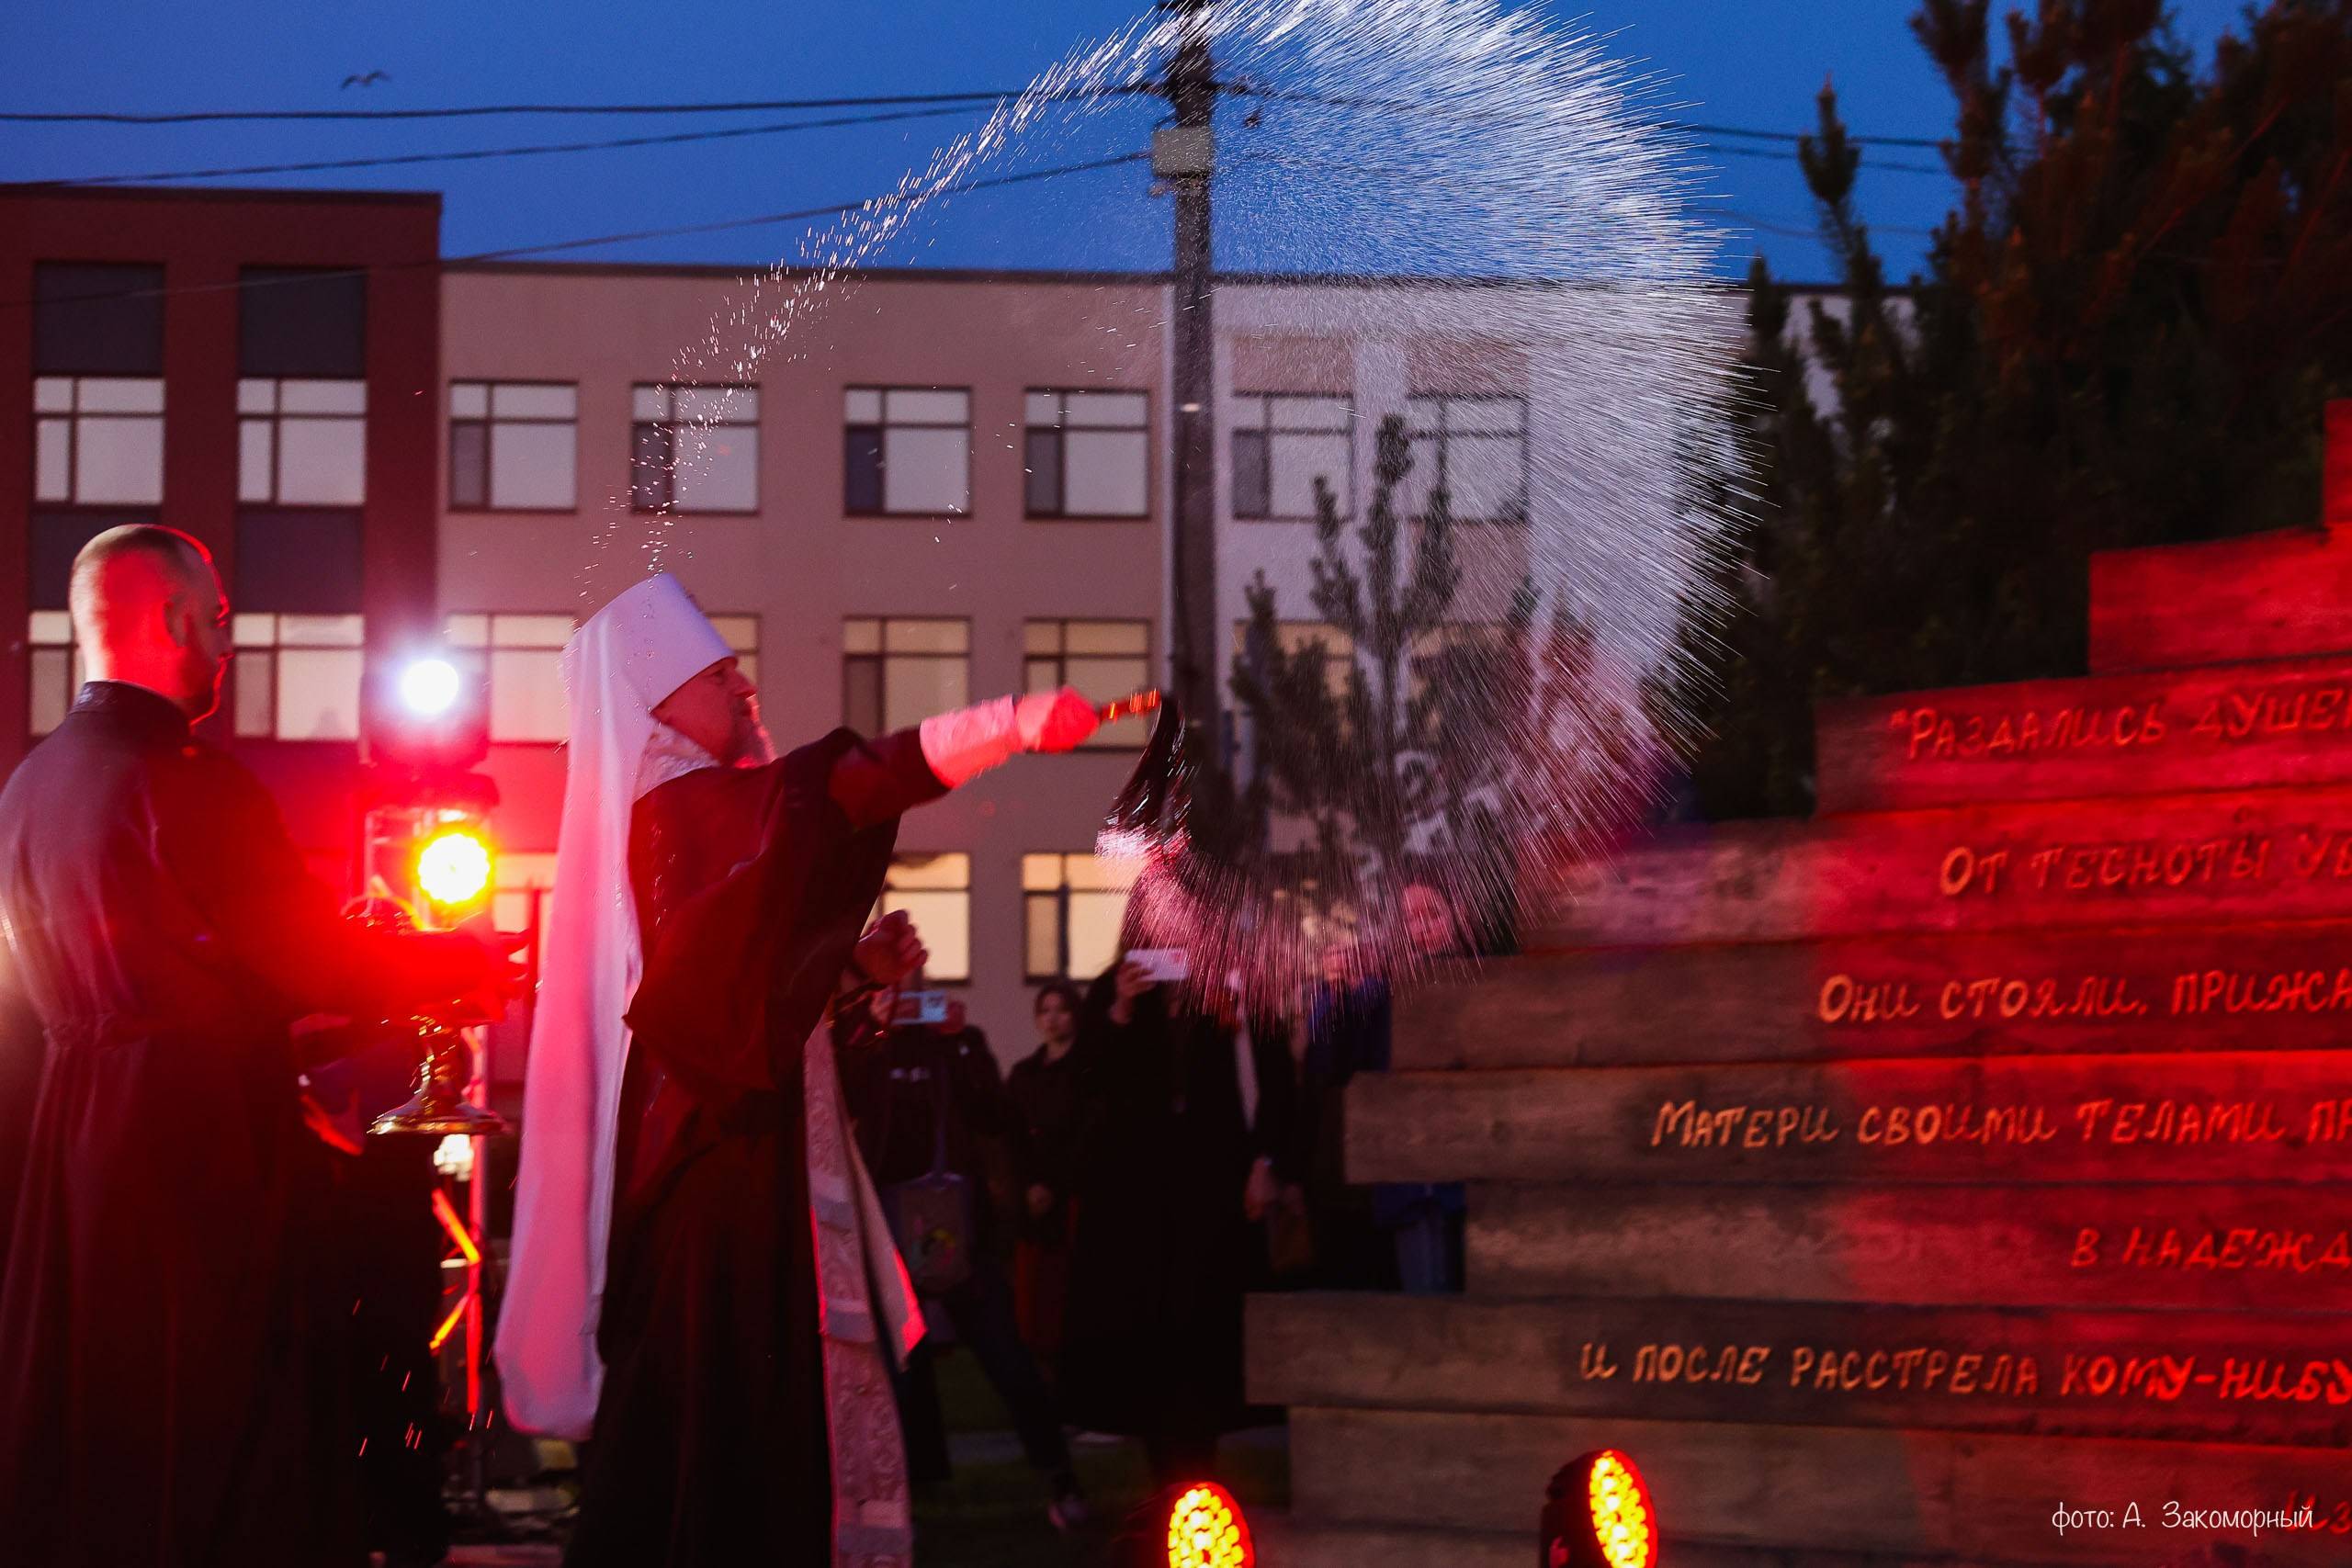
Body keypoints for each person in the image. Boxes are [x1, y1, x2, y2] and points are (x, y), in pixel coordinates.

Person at [494, 573, 1096, 1568]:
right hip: (722, 1191)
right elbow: (839, 790)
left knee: (702, 1451)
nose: (745, 686)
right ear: (654, 698)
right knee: (725, 1454)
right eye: (716, 672)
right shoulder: (681, 811)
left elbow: (751, 1000)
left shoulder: (687, 824)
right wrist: (1005, 724)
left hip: (730, 1178)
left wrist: (854, 979)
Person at [0, 525, 500, 1567]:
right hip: (198, 1144)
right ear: (177, 618)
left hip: (79, 1142)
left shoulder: (30, 787)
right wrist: (456, 966)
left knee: (111, 1409)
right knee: (228, 1410)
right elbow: (307, 963)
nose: (227, 641)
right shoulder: (192, 783)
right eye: (218, 616)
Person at [836, 973, 1083, 1530]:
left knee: (1008, 1360)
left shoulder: (956, 1042)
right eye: (897, 994)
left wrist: (959, 1039)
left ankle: (1061, 1477)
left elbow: (995, 1113)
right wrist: (869, 1029)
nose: (909, 1003)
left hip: (957, 1236)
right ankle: (907, 1499)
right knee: (899, 1377)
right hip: (888, 1235)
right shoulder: (869, 1045)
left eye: (916, 992)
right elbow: (844, 1100)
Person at [1057, 955, 1301, 1486]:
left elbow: (1276, 1077)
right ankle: (1164, 1481)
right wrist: (1120, 1008)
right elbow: (1085, 1079)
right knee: (1145, 1337)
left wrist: (1266, 1162)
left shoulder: (1236, 979)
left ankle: (1198, 1475)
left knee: (1201, 1330)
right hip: (1133, 1196)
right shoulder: (1117, 987)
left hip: (1211, 1187)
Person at [1302, 881, 1469, 1293]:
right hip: (1411, 1182)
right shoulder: (1384, 989)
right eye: (1411, 918)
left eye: (1432, 912)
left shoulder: (1483, 980)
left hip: (1473, 1175)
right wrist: (1335, 990)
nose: (1422, 926)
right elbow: (1327, 1063)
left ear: (1459, 912)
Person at [1002, 980, 1086, 1371]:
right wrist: (1030, 1185)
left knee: (1068, 1293)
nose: (1052, 1019)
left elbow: (1083, 1136)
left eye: (1061, 1009)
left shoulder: (1085, 1074)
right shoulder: (1024, 1074)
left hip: (1071, 1197)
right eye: (1045, 1011)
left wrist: (1053, 1185)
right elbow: (1012, 1137)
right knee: (1032, 1298)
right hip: (1032, 1201)